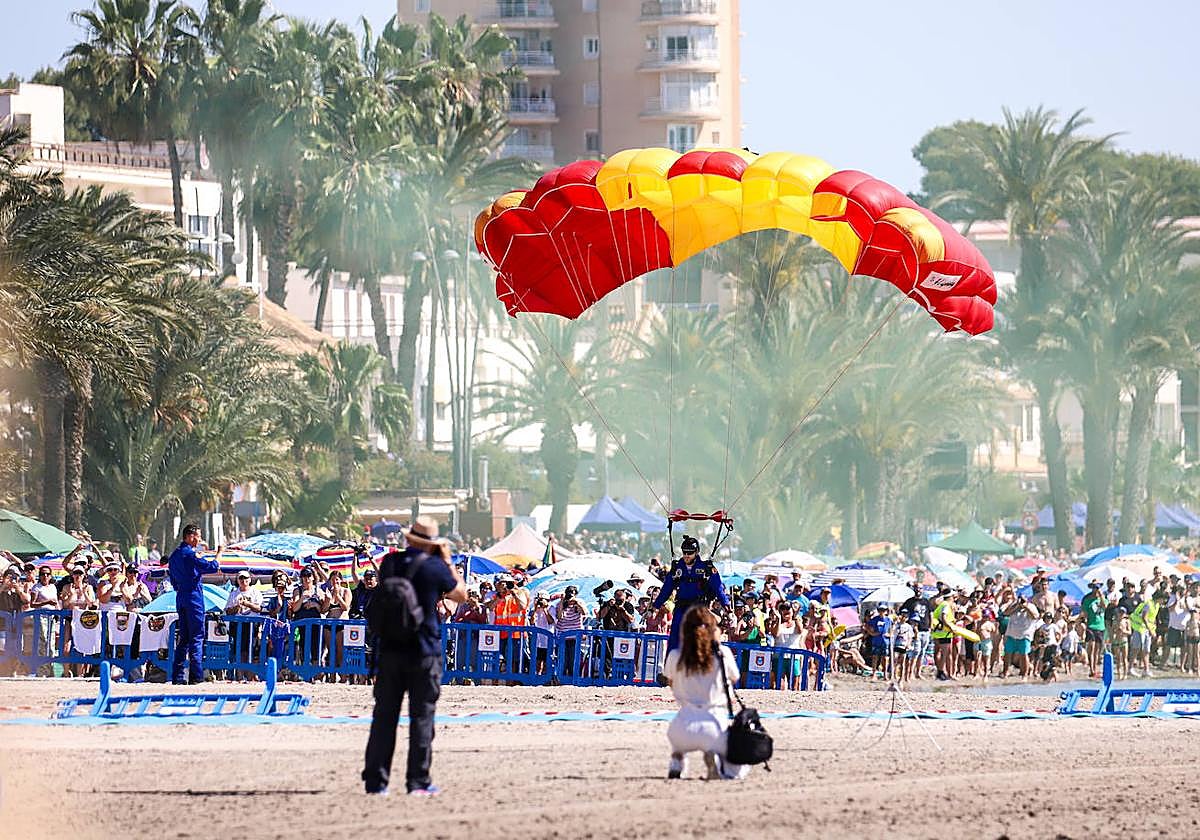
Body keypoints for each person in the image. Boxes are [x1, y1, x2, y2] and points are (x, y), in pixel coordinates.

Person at [362, 516, 466, 797]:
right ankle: (418, 781)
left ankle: (376, 782)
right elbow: (461, 594)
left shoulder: (390, 563)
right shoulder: (434, 568)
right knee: (422, 717)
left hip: (390, 650)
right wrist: (447, 561)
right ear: (431, 544)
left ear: (409, 539)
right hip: (424, 651)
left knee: (384, 717)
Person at [662, 605, 748, 781]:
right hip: (714, 725)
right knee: (739, 770)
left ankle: (677, 760)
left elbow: (670, 682)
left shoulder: (675, 655)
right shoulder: (723, 653)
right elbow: (734, 678)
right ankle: (716, 759)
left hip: (680, 728)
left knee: (680, 746)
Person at [652, 536, 729, 655]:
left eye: (690, 553)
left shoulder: (706, 568)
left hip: (698, 608)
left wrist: (726, 604)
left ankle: (700, 666)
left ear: (696, 552)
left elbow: (718, 587)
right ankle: (671, 668)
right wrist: (655, 605)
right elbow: (666, 589)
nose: (686, 555)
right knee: (675, 637)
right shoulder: (677, 568)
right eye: (684, 552)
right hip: (681, 608)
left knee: (698, 637)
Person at [167, 524, 222, 685]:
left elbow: (173, 580)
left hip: (181, 596)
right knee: (197, 636)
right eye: (198, 536)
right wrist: (219, 553)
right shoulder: (190, 555)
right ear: (190, 536)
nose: (199, 539)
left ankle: (177, 676)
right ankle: (196, 676)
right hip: (194, 597)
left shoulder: (174, 555)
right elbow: (212, 567)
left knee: (183, 638)